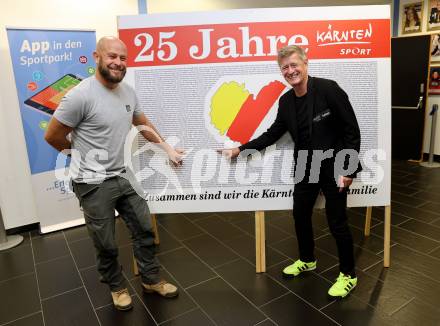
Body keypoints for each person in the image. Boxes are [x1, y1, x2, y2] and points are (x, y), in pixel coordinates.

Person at [45, 36, 184, 311]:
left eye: (123, 58)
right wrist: (81, 157)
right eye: (112, 56)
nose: (118, 63)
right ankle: (117, 287)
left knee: (145, 228)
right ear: (97, 57)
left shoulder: (128, 92)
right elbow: (53, 135)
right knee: (105, 242)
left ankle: (151, 279)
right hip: (91, 182)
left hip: (122, 174)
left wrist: (167, 147)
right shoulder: (79, 95)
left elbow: (142, 122)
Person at [220, 45, 362, 298]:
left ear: (305, 65)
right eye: (285, 67)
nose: (290, 71)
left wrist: (349, 169)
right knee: (300, 214)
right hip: (306, 165)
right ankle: (307, 259)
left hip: (334, 165)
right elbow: (272, 134)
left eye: (294, 65)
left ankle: (348, 274)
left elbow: (351, 130)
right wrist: (240, 149)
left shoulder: (329, 89)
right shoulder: (286, 101)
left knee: (336, 221)